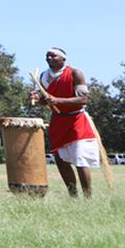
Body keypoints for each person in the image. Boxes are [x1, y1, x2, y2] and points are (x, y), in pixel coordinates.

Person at [30, 48, 99, 198]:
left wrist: (58, 100)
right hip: (58, 121)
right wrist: (37, 100)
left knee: (80, 159)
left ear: (63, 59)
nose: (49, 58)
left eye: (53, 55)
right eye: (47, 55)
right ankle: (73, 196)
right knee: (60, 160)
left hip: (76, 121)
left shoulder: (75, 73)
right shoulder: (43, 76)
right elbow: (46, 101)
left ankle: (88, 197)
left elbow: (84, 99)